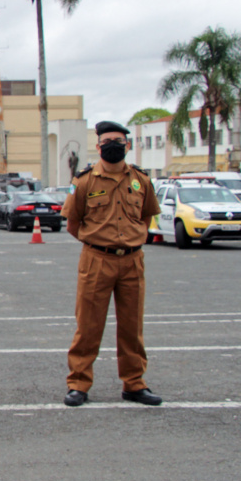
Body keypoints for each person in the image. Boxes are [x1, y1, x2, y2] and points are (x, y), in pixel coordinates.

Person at [60, 120, 162, 407]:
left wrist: (132, 238)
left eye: (118, 141)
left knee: (132, 326)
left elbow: (146, 216)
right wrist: (96, 242)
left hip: (132, 260)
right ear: (98, 146)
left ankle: (134, 383)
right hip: (96, 259)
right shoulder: (84, 180)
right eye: (107, 141)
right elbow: (73, 222)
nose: (113, 145)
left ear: (127, 145)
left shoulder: (141, 180)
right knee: (89, 325)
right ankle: (79, 384)